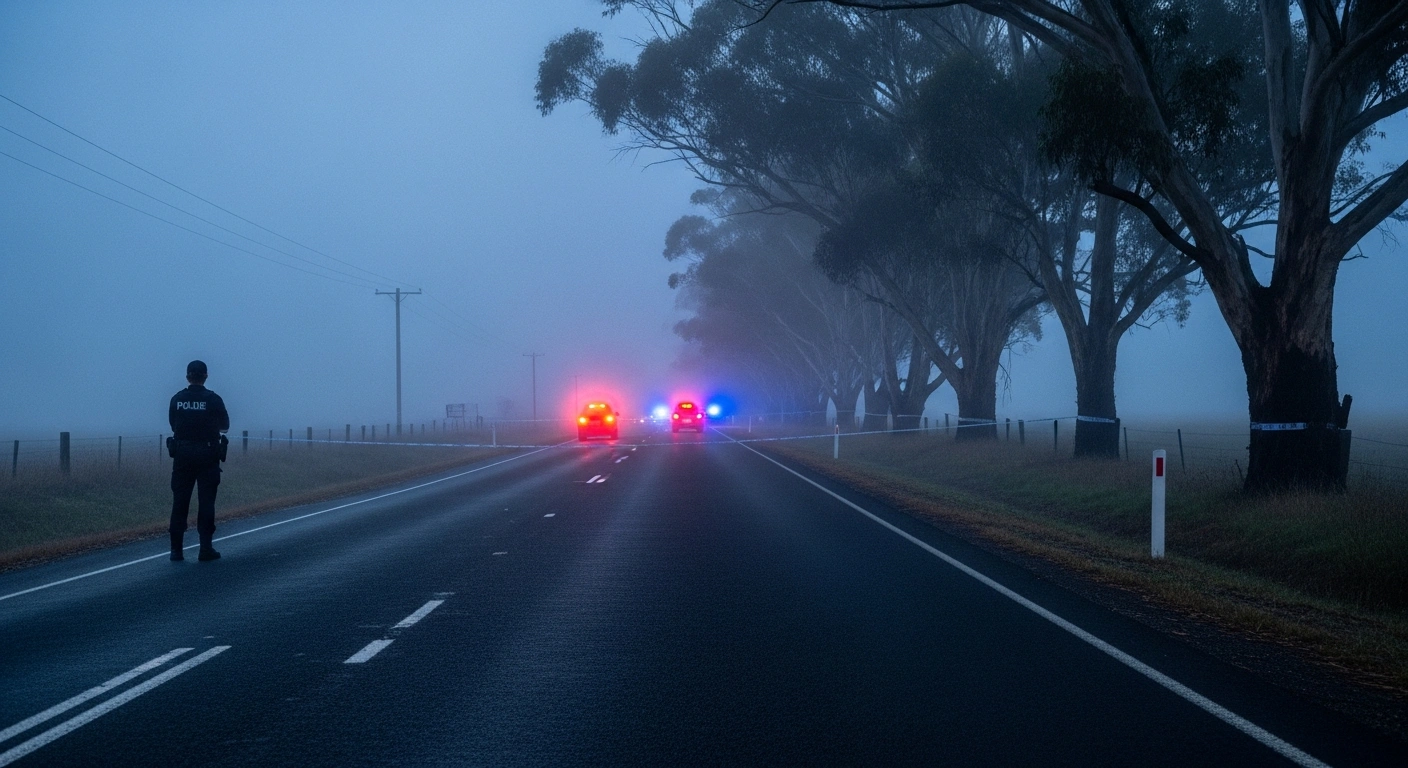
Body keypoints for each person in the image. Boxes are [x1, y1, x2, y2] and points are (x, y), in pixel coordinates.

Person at [168, 360, 229, 561]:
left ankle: (176, 551)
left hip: (183, 456)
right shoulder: (213, 399)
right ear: (205, 376)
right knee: (206, 503)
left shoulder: (177, 399)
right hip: (208, 456)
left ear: (187, 376)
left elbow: (173, 425)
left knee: (180, 503)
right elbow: (225, 426)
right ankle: (205, 549)